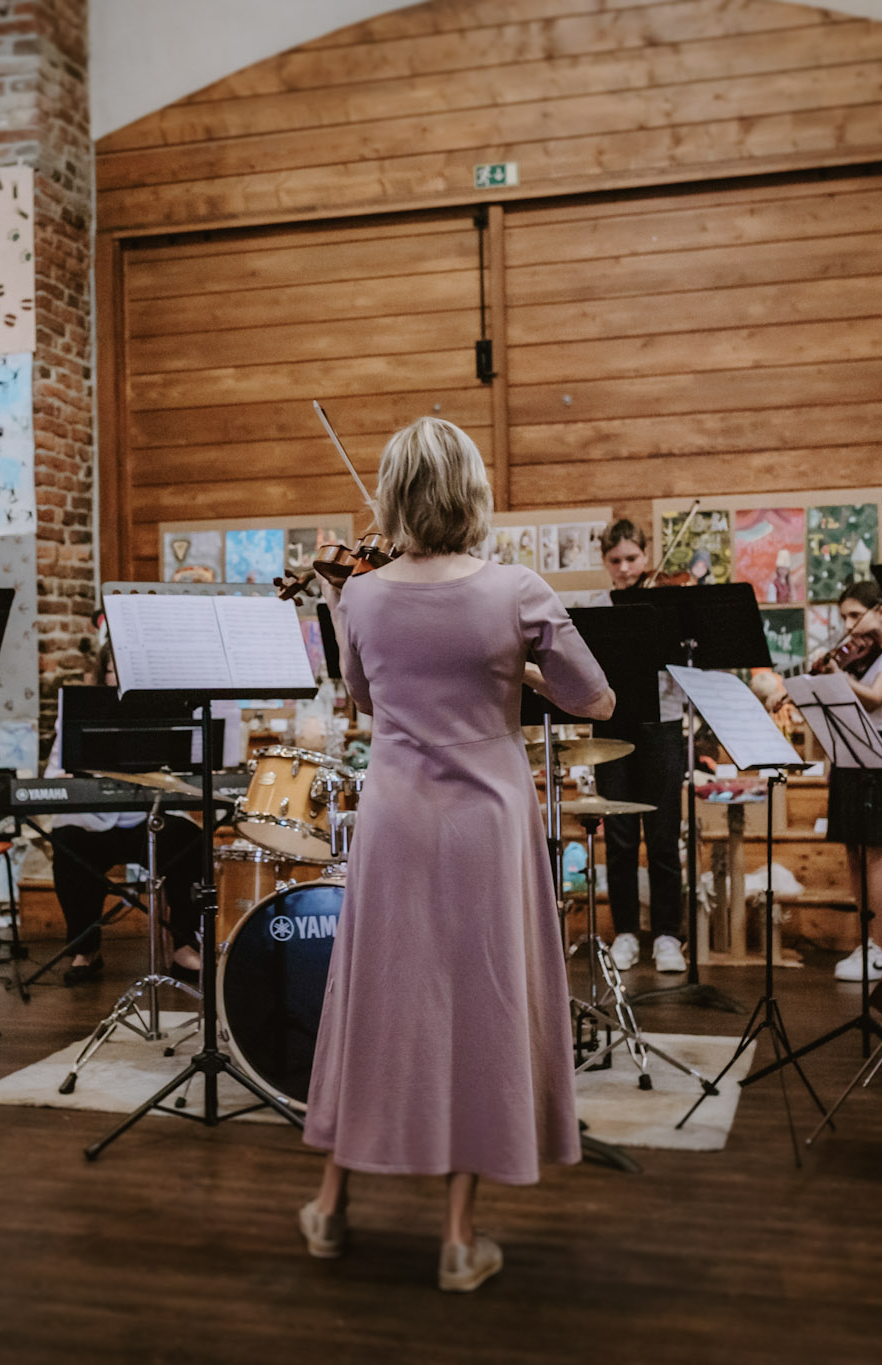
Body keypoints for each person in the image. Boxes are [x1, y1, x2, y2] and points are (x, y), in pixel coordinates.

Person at [302, 416, 614, 1292]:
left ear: (393, 496)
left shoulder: (362, 596)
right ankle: (457, 1238)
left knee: (374, 1000)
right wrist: (524, 673)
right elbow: (597, 699)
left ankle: (328, 1206)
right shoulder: (516, 589)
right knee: (483, 1006)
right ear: (471, 492)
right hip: (487, 820)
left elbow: (364, 700)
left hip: (395, 818)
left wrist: (340, 600)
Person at [767, 580, 882, 982]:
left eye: (856, 615)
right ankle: (865, 942)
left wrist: (835, 676)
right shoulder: (857, 656)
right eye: (844, 617)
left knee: (875, 853)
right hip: (850, 747)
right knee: (854, 852)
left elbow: (875, 696)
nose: (849, 626)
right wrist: (797, 690)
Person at [42, 646, 205, 985]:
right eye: (114, 671)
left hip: (148, 817)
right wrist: (73, 776)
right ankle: (85, 948)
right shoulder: (79, 711)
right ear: (102, 675)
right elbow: (54, 774)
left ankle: (184, 945)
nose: (121, 678)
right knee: (68, 842)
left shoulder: (163, 707)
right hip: (93, 821)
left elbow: (182, 765)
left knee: (189, 840)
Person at [594, 519, 687, 974]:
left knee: (664, 836)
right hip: (611, 725)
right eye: (616, 561)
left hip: (663, 724)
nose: (626, 569)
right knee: (620, 837)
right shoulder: (597, 608)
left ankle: (668, 935)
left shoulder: (666, 604)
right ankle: (626, 932)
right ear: (605, 562)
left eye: (632, 558)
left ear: (646, 556)